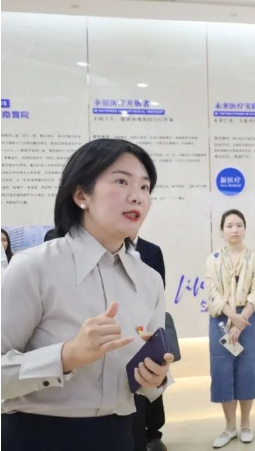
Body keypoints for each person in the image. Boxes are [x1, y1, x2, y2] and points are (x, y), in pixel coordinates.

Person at [1, 139, 173, 451]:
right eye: (121, 181)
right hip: (37, 435)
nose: (137, 196)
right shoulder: (33, 267)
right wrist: (67, 356)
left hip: (122, 434)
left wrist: (155, 377)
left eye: (145, 187)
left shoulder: (149, 281)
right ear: (81, 195)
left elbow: (148, 378)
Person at [205, 209, 255, 448]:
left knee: (247, 370)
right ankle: (229, 427)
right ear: (222, 230)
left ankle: (246, 424)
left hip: (248, 319)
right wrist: (233, 318)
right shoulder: (212, 260)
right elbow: (212, 294)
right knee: (222, 371)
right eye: (229, 225)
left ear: (245, 229)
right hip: (221, 318)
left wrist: (241, 321)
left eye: (239, 225)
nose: (234, 229)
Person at [129, 236, 168, 451]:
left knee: (152, 375)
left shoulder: (152, 250)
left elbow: (160, 287)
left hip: (145, 323)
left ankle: (154, 433)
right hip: (124, 324)